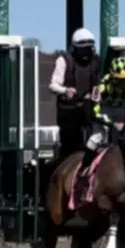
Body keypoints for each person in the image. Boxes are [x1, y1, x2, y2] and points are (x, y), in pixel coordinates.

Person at [75, 56, 125, 195]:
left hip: (124, 110)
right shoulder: (101, 87)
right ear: (113, 77)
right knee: (95, 138)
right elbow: (94, 111)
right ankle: (84, 168)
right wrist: (111, 123)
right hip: (104, 112)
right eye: (121, 80)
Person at [49, 27, 101, 163]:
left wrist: (96, 95)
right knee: (69, 146)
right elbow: (53, 85)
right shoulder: (64, 60)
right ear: (75, 48)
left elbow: (100, 84)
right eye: (83, 49)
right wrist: (65, 90)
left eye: (89, 48)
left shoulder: (96, 61)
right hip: (69, 110)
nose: (86, 52)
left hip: (89, 109)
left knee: (95, 139)